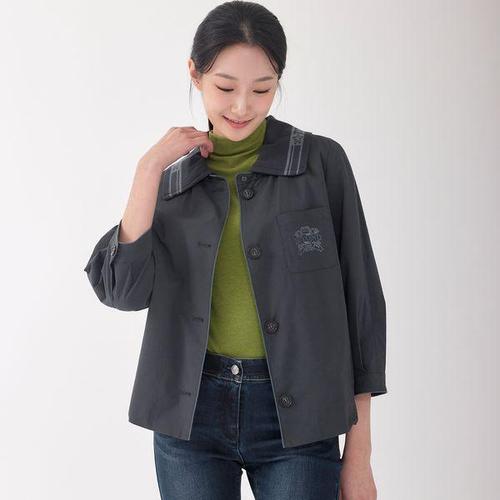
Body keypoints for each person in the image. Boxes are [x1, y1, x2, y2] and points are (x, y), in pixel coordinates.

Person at [83, 1, 387, 499]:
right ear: (195, 74)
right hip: (191, 421)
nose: (242, 106)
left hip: (302, 421)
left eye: (262, 89)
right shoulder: (171, 182)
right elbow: (122, 292)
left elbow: (362, 307)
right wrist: (147, 171)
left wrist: (359, 455)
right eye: (225, 87)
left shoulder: (320, 164)